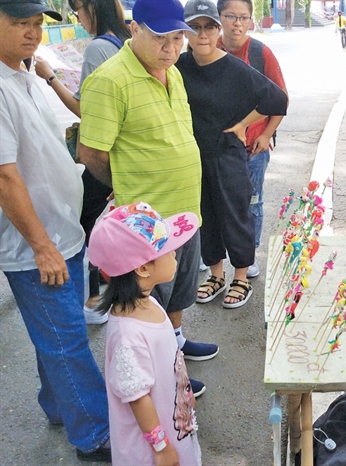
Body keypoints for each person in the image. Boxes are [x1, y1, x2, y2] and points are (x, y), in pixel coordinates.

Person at [77, 0, 218, 395]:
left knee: (179, 289)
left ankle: (175, 347)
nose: (171, 48)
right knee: (143, 304)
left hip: (184, 211)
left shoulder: (172, 72)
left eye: (178, 37)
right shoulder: (110, 79)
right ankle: (155, 378)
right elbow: (90, 154)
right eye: (160, 37)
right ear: (134, 29)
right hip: (145, 226)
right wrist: (128, 193)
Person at [0, 0, 110, 461]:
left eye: (35, 23)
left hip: (61, 235)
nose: (31, 32)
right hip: (37, 247)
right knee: (66, 339)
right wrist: (42, 247)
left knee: (55, 334)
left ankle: (60, 406)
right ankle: (96, 432)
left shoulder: (22, 75)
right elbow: (4, 175)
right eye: (18, 23)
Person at [176, 0, 287, 307]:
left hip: (228, 156)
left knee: (236, 215)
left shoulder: (235, 68)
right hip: (194, 159)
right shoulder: (179, 67)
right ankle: (215, 274)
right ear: (184, 33)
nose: (202, 35)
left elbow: (277, 100)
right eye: (194, 28)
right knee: (206, 217)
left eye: (209, 27)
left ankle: (240, 277)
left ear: (217, 29)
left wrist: (244, 124)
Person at [33, 0, 131, 325]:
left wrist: (49, 77)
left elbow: (84, 111)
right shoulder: (126, 40)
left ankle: (93, 298)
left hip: (104, 155)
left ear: (93, 8)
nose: (77, 16)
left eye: (78, 9)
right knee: (116, 224)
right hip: (128, 154)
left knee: (81, 227)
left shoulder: (97, 49)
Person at [88, 202, 202, 465]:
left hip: (173, 417)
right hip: (152, 445)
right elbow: (137, 398)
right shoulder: (128, 335)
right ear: (142, 268)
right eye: (168, 249)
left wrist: (184, 392)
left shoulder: (148, 302)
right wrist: (161, 447)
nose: (176, 253)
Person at [216, 0, 288, 279]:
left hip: (253, 146)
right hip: (217, 146)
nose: (237, 23)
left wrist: (266, 134)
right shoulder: (207, 48)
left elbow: (281, 99)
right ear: (219, 18)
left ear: (250, 21)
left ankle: (249, 253)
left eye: (243, 17)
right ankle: (217, 256)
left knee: (251, 202)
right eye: (231, 16)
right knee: (216, 201)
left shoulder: (260, 53)